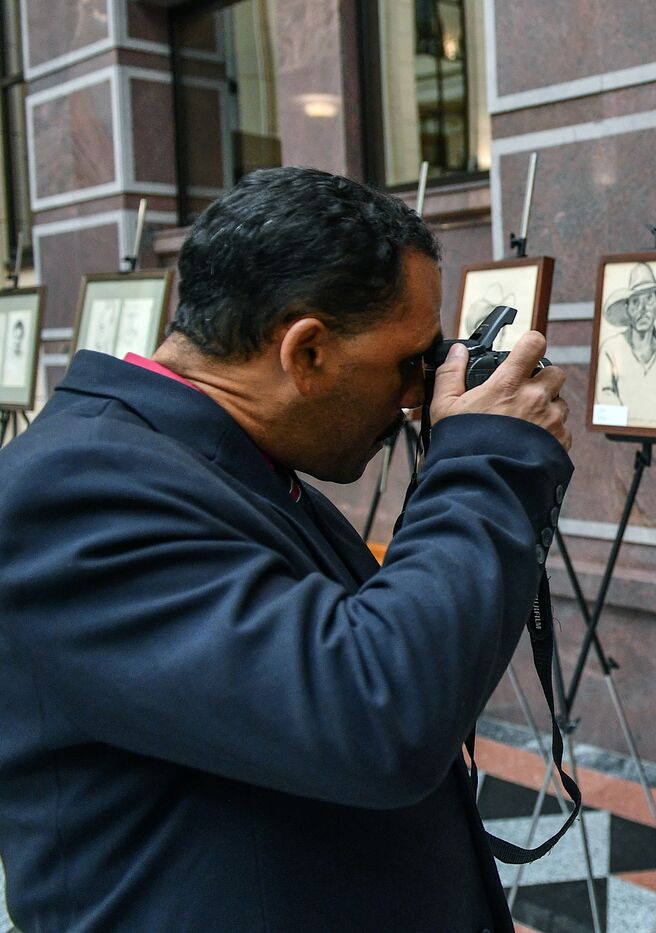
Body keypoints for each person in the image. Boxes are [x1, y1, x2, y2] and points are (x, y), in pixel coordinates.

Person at [0, 167, 572, 931]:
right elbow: (380, 710)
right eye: (411, 360)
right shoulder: (70, 493)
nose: (417, 394)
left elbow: (366, 644)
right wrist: (488, 460)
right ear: (305, 353)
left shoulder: (210, 458)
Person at [595, 261, 656, 426]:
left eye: (649, 299)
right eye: (636, 302)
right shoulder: (611, 349)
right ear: (627, 309)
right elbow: (605, 395)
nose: (643, 309)